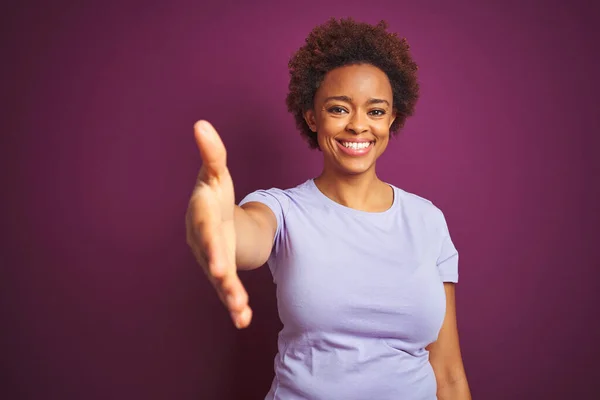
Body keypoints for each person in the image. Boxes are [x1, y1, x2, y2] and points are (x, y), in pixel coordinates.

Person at [186, 18, 471, 400]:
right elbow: (242, 235)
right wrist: (213, 222)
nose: (358, 126)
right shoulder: (283, 209)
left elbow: (448, 373)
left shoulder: (427, 221)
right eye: (339, 109)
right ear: (312, 116)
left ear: (391, 119)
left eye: (375, 111)